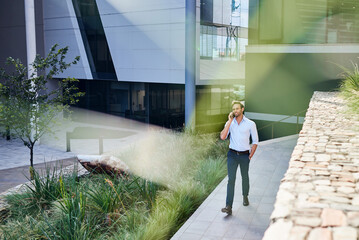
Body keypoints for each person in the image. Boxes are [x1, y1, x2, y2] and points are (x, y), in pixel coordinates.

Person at [220, 100, 258, 215]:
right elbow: (222, 136)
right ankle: (228, 206)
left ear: (242, 109)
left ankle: (245, 196)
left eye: (237, 108)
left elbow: (255, 141)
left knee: (244, 177)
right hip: (232, 154)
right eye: (233, 109)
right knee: (231, 180)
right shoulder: (229, 122)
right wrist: (230, 121)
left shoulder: (250, 124)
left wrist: (250, 155)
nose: (235, 110)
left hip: (244, 155)